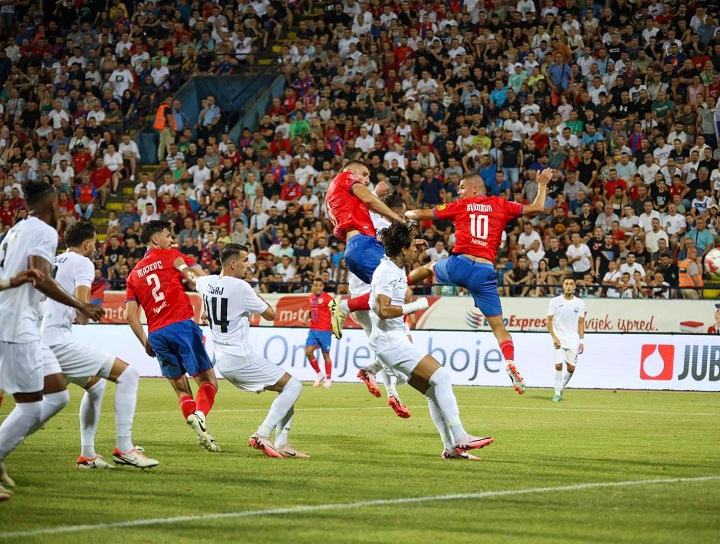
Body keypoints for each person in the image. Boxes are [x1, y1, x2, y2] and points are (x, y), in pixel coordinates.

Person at [404, 169, 555, 394]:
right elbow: (537, 208)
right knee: (499, 328)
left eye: (462, 187)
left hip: (460, 265)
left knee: (428, 268)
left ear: (474, 189)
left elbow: (419, 214)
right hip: (484, 272)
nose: (458, 191)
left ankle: (401, 284)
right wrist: (542, 185)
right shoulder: (501, 204)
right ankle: (510, 362)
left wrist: (398, 214)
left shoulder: (460, 205)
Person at [0, 181, 104, 500]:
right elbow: (40, 276)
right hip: (18, 326)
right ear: (53, 205)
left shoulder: (14, 231)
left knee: (58, 396)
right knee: (30, 408)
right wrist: (81, 304)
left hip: (24, 323)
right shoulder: (45, 232)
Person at [370, 222, 493, 460]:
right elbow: (383, 310)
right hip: (391, 341)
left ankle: (450, 448)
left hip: (388, 341)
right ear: (403, 250)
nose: (417, 251)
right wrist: (414, 306)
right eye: (413, 248)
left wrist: (412, 241)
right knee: (442, 377)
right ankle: (460, 436)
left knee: (433, 392)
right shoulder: (385, 273)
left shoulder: (392, 266)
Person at [41, 222, 158, 469]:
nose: (95, 247)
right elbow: (83, 309)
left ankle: (88, 456)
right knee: (129, 374)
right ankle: (125, 448)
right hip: (57, 341)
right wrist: (86, 312)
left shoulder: (54, 260)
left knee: (95, 386)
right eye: (94, 242)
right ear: (87, 243)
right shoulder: (82, 262)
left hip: (43, 338)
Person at [195, 244, 308, 458]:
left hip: (223, 361)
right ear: (233, 264)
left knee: (286, 389)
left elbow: (193, 274)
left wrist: (180, 262)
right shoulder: (241, 287)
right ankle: (262, 434)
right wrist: (256, 296)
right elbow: (270, 315)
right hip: (241, 359)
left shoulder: (205, 282)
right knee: (294, 386)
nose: (249, 264)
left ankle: (282, 443)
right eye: (245, 260)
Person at [125, 220, 220, 452]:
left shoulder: (134, 274)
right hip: (181, 326)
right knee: (208, 382)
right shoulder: (172, 256)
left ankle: (200, 431)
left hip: (156, 333)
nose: (172, 240)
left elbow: (130, 315)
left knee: (181, 390)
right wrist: (183, 268)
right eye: (168, 235)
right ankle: (200, 415)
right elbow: (201, 281)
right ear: (155, 240)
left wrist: (145, 342)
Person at [323, 160, 411, 339]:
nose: (365, 180)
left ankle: (375, 366)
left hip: (357, 249)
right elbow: (370, 199)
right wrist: (400, 221)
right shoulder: (344, 177)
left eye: (368, 177)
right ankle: (344, 307)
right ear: (349, 171)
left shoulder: (341, 197)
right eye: (363, 174)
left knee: (385, 296)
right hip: (363, 246)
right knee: (400, 289)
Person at [353, 193, 412, 419]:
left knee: (385, 347)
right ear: (396, 212)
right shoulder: (390, 232)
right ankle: (374, 372)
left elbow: (366, 200)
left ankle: (391, 391)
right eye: (402, 213)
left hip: (358, 295)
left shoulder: (365, 223)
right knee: (403, 345)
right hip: (376, 297)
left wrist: (376, 190)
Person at [546, 277, 586, 402]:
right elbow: (549, 321)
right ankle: (557, 393)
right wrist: (554, 337)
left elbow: (581, 323)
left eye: (571, 284)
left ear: (574, 287)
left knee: (571, 369)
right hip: (558, 338)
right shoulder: (555, 301)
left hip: (572, 339)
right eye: (566, 284)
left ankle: (561, 386)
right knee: (558, 366)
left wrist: (581, 341)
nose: (568, 286)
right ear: (563, 286)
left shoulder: (580, 303)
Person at [301, 277, 334, 388]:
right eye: (316, 285)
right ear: (312, 287)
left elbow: (335, 313)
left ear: (323, 287)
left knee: (326, 355)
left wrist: (335, 326)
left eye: (320, 285)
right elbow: (313, 310)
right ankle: (319, 374)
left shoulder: (329, 299)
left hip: (325, 330)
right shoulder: (310, 298)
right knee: (308, 352)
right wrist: (306, 317)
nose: (318, 287)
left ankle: (328, 380)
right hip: (313, 330)